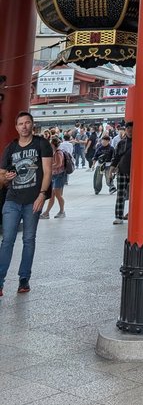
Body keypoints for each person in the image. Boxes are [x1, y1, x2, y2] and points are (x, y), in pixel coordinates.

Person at [0, 111, 53, 295]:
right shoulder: (10, 148)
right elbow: (1, 178)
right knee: (7, 240)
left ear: (32, 124)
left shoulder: (41, 144)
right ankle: (0, 282)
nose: (24, 126)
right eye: (21, 123)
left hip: (33, 201)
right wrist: (6, 178)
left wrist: (41, 195)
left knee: (29, 240)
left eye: (27, 123)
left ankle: (24, 279)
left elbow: (47, 172)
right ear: (16, 127)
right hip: (12, 200)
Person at [111, 121, 133, 225]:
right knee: (120, 194)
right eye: (128, 129)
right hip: (122, 171)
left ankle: (132, 214)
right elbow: (116, 157)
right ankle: (119, 216)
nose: (130, 131)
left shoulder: (140, 142)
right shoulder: (121, 142)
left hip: (135, 172)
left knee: (134, 195)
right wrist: (112, 168)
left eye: (132, 129)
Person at [42, 137, 67, 218]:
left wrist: (49, 166)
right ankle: (46, 213)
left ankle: (62, 211)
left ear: (53, 144)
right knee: (52, 195)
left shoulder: (58, 152)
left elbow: (58, 164)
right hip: (55, 175)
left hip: (59, 175)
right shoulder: (55, 152)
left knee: (58, 195)